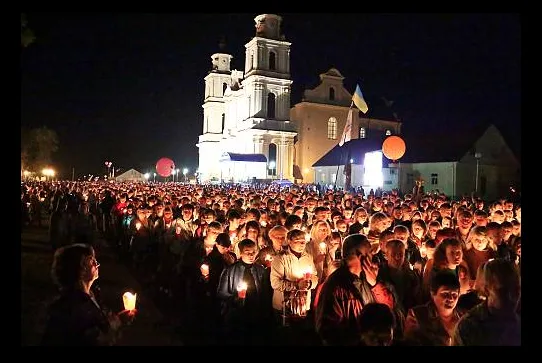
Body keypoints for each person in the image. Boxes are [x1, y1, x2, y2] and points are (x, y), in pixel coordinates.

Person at [314, 234, 395, 346]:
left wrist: (375, 285)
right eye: (370, 252)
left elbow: (388, 307)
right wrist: (359, 338)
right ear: (361, 256)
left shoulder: (369, 278)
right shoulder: (335, 286)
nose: (373, 256)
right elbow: (327, 330)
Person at [41, 244, 126, 346]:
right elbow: (95, 339)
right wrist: (115, 324)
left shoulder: (91, 295)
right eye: (91, 260)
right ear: (80, 268)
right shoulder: (73, 307)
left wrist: (119, 319)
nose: (96, 263)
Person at [216, 238, 272, 345]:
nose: (251, 255)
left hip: (256, 313)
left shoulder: (260, 270)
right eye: (247, 252)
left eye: (253, 252)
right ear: (241, 253)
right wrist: (235, 298)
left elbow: (265, 293)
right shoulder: (230, 270)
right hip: (236, 314)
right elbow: (221, 292)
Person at [452, 259, 521, 346]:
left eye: (516, 289)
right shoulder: (469, 327)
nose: (512, 297)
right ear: (486, 290)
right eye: (504, 291)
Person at [404, 270, 463, 346]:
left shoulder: (464, 317)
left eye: (454, 295)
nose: (451, 299)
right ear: (433, 294)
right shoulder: (417, 316)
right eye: (445, 294)